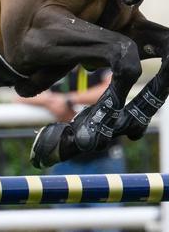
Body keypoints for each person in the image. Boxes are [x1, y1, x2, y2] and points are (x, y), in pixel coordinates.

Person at [20, 67, 126, 232]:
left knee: (107, 226)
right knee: (68, 226)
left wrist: (69, 101)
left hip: (103, 160)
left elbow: (115, 88)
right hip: (64, 161)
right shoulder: (52, 62)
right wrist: (52, 101)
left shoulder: (102, 55)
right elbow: (21, 92)